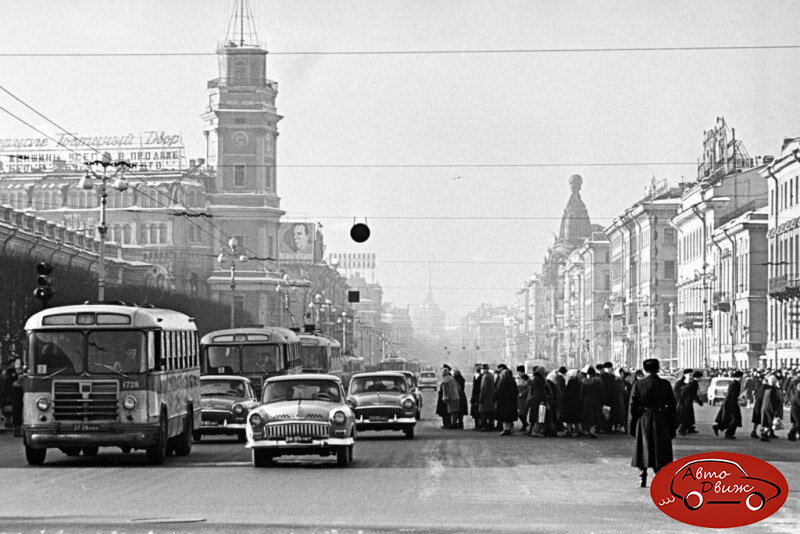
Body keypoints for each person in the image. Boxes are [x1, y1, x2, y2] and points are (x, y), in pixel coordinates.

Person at [629, 358, 678, 488]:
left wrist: (631, 426)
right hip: (661, 419)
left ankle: (642, 476)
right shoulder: (665, 384)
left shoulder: (638, 385)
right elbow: (672, 406)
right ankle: (659, 475)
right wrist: (673, 426)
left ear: (645, 370)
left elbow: (632, 407)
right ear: (658, 369)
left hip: (643, 418)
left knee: (642, 448)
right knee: (660, 448)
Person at [712, 370, 743, 439]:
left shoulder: (735, 383)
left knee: (729, 419)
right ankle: (728, 433)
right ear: (738, 377)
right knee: (735, 419)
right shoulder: (735, 384)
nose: (742, 378)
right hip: (731, 403)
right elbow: (730, 395)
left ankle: (719, 427)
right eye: (741, 377)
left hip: (731, 402)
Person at [493, 364, 518, 435]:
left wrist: (494, 397)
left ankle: (506, 429)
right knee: (509, 416)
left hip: (503, 401)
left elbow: (498, 391)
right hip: (511, 401)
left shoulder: (502, 381)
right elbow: (516, 391)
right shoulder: (512, 381)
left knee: (504, 416)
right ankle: (509, 428)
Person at [580, 366, 604, 438]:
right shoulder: (598, 382)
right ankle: (592, 430)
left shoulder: (584, 382)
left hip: (586, 401)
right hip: (596, 401)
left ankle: (588, 430)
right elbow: (601, 393)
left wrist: (581, 401)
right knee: (596, 417)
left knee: (587, 416)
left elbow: (581, 394)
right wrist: (603, 401)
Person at [677, 371, 704, 435]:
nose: (701, 379)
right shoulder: (693, 384)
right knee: (686, 416)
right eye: (700, 377)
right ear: (698, 377)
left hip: (687, 402)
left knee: (689, 415)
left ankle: (690, 428)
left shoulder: (693, 383)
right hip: (686, 402)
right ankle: (682, 429)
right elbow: (690, 393)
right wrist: (698, 401)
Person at [760, 375, 784, 442]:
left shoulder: (767, 389)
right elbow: (773, 401)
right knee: (769, 422)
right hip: (769, 408)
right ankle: (764, 434)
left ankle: (764, 433)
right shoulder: (773, 390)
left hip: (764, 407)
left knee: (766, 422)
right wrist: (774, 411)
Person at [527, 366, 548, 437]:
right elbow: (540, 391)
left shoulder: (535, 379)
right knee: (538, 415)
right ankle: (536, 431)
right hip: (539, 400)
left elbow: (532, 391)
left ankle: (532, 430)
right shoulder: (539, 380)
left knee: (535, 415)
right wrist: (542, 400)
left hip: (535, 399)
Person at [563, 369, 582, 437]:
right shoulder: (579, 383)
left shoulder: (570, 382)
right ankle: (580, 430)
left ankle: (569, 431)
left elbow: (566, 392)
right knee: (577, 417)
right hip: (577, 402)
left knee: (569, 418)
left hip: (569, 402)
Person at [477, 364, 495, 431]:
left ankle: (485, 426)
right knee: (490, 412)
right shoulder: (491, 376)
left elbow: (483, 388)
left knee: (482, 412)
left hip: (485, 397)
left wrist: (481, 397)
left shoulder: (485, 377)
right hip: (490, 397)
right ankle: (491, 425)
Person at [435, 365, 453, 429]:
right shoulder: (447, 378)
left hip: (445, 397)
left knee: (446, 412)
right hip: (444, 396)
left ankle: (447, 424)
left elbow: (446, 389)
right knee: (445, 412)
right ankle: (446, 424)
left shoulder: (447, 379)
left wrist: (445, 396)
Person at [516, 365, 531, 432]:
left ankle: (525, 424)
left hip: (524, 398)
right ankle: (524, 424)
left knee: (523, 412)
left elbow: (529, 389)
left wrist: (523, 393)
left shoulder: (527, 379)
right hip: (519, 398)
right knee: (520, 412)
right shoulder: (518, 378)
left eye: (519, 372)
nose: (518, 374)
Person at [470, 363, 482, 430]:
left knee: (478, 412)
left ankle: (479, 425)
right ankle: (477, 425)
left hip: (477, 395)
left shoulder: (481, 376)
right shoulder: (476, 376)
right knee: (475, 412)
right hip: (475, 396)